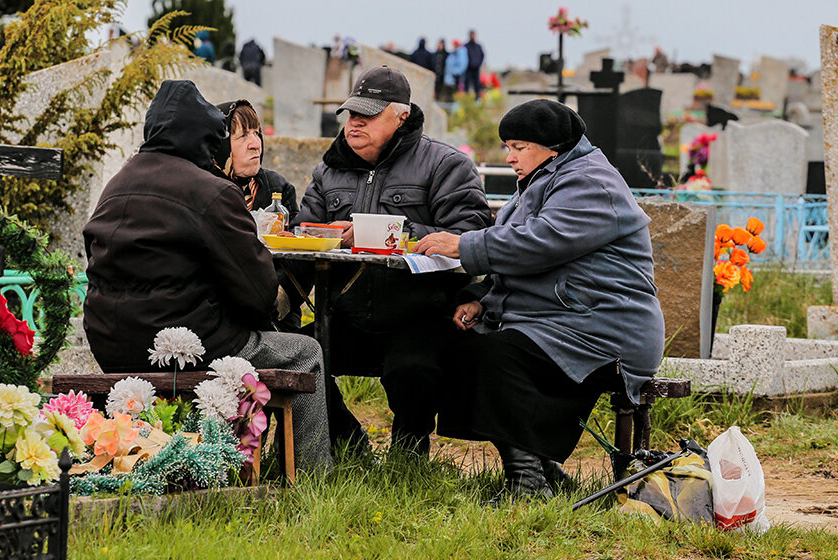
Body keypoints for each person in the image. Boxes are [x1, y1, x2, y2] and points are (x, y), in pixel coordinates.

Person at [413, 99, 665, 498]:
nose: (510, 157)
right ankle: (541, 467)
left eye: (519, 146)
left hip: (605, 328)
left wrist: (462, 244)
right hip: (561, 321)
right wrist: (481, 297)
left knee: (497, 355)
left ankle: (526, 480)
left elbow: (540, 244)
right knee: (460, 345)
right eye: (507, 147)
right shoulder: (545, 178)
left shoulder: (591, 182)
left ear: (554, 148)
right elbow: (521, 265)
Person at [82, 80, 331, 470]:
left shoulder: (117, 185)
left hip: (110, 343)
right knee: (305, 353)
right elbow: (260, 293)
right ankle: (311, 477)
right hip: (187, 345)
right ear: (205, 138)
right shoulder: (212, 191)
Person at [295, 66, 493, 456]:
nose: (354, 123)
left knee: (412, 368)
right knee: (295, 356)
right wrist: (319, 235)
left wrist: (387, 230)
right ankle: (348, 442)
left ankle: (408, 452)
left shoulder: (446, 165)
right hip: (343, 315)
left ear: (401, 116)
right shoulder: (327, 170)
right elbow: (304, 233)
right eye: (352, 114)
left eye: (367, 115)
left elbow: (468, 234)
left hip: (422, 318)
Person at [214, 98, 303, 330]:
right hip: (218, 315)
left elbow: (301, 259)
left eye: (257, 133)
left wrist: (280, 298)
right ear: (221, 144)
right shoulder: (205, 191)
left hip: (275, 317)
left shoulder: (278, 189)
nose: (256, 144)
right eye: (243, 136)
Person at [463, 30, 486, 99]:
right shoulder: (466, 46)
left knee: (477, 85)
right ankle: (466, 99)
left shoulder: (478, 46)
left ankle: (477, 99)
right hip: (468, 69)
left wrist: (478, 63)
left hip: (476, 69)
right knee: (467, 85)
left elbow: (482, 55)